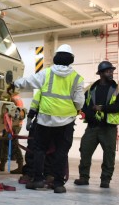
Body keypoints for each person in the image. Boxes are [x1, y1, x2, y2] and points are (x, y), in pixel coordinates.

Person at [9, 44, 84, 193]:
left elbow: (29, 81)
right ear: (71, 59)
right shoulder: (77, 78)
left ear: (56, 58)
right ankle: (58, 184)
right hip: (66, 121)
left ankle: (37, 180)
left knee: (39, 150)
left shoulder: (47, 73)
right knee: (61, 152)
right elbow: (79, 101)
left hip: (45, 120)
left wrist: (14, 83)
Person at [74, 61, 119, 189]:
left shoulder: (118, 89)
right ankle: (84, 177)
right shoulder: (91, 89)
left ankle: (105, 180)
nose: (111, 73)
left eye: (111, 71)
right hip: (92, 127)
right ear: (101, 73)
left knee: (109, 154)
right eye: (108, 71)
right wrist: (88, 114)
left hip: (108, 128)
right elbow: (84, 106)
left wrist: (102, 108)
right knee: (85, 151)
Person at [0, 89, 24, 174]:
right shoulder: (17, 97)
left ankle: (20, 166)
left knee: (13, 144)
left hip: (14, 125)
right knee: (5, 143)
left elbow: (14, 113)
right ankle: (2, 164)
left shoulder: (13, 99)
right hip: (13, 124)